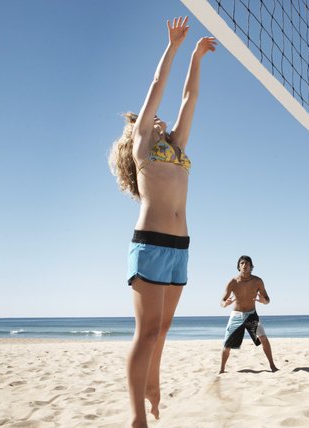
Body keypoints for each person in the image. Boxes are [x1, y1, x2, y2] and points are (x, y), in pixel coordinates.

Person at [108, 16, 216, 427]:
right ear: (138, 131)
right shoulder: (144, 151)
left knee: (164, 330)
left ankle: (153, 385)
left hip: (180, 247)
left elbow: (189, 99)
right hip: (151, 242)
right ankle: (138, 417)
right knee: (148, 332)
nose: (161, 119)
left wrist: (196, 57)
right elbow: (159, 88)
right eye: (151, 120)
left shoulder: (177, 147)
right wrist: (172, 47)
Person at [219, 255, 279, 374]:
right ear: (238, 266)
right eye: (242, 263)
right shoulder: (233, 282)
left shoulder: (257, 281)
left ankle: (272, 366)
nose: (244, 265)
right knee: (227, 344)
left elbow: (267, 299)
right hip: (236, 315)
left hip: (251, 314)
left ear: (251, 267)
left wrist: (264, 301)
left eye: (247, 263)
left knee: (263, 338)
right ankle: (221, 370)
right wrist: (225, 304)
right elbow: (221, 301)